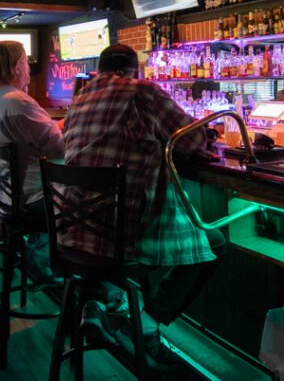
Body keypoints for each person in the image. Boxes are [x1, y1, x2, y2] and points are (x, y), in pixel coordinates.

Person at [63, 44, 226, 369]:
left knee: (116, 239)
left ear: (99, 69)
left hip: (72, 235)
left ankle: (102, 300)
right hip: (122, 236)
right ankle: (145, 321)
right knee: (216, 243)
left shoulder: (78, 100)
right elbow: (192, 140)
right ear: (133, 70)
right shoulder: (142, 92)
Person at [0, 41, 63, 282]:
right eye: (26, 62)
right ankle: (82, 280)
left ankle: (39, 250)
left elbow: (29, 138)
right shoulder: (17, 101)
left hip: (8, 197)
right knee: (95, 204)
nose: (28, 68)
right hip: (35, 199)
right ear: (16, 67)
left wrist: (53, 126)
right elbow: (59, 148)